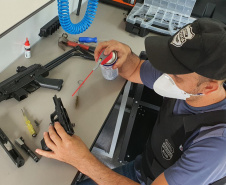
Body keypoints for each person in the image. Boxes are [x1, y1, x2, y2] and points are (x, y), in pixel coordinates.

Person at [35, 18, 226, 185]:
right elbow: (135, 69)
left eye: (175, 75)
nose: (164, 75)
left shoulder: (215, 146)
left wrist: (82, 160)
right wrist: (125, 55)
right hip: (143, 169)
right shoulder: (185, 79)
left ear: (209, 87)